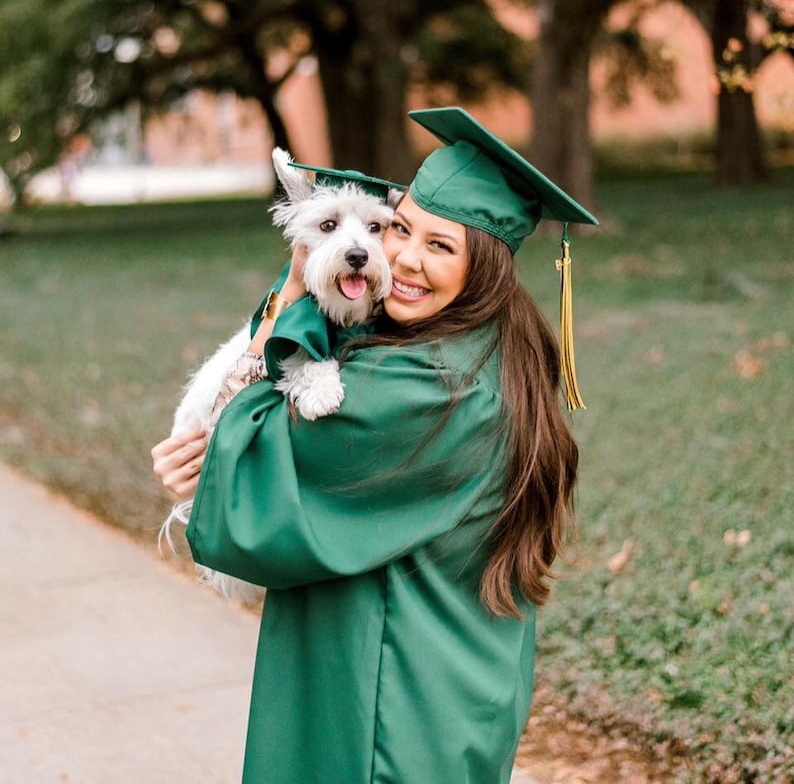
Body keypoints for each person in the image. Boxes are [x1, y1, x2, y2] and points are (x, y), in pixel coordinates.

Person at [151, 106, 598, 784]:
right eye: (402, 228)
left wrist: (213, 461)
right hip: (442, 685)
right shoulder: (484, 348)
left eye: (441, 247)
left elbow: (263, 466)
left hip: (385, 709)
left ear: (488, 268)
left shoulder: (430, 390)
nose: (405, 259)